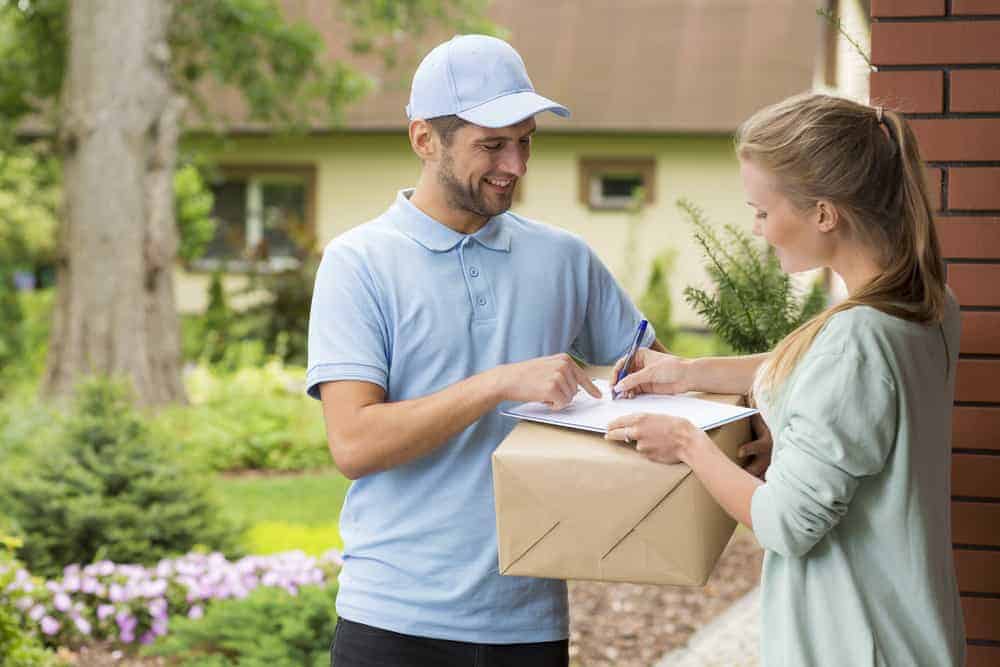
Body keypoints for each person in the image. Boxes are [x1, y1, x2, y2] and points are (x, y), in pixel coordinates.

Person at [307, 34, 662, 667]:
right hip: (392, 620)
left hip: (528, 619)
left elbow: (657, 374)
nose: (516, 165)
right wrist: (497, 383)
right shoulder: (358, 262)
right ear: (424, 140)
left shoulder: (565, 258)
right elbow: (354, 444)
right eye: (491, 145)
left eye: (526, 141)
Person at [606, 93, 965, 666]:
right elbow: (816, 364)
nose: (757, 229)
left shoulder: (857, 341)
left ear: (824, 213)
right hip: (906, 630)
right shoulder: (925, 304)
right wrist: (689, 372)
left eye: (763, 211)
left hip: (851, 644)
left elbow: (785, 524)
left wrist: (686, 444)